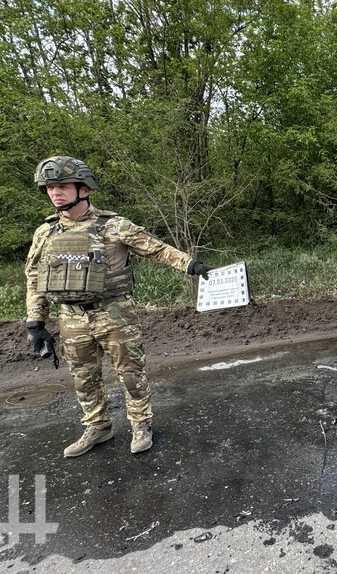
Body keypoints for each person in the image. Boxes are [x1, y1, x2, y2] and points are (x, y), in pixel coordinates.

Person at [24, 156, 211, 458]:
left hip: (114, 313)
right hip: (71, 317)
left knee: (130, 373)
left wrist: (191, 265)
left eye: (61, 186)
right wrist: (36, 321)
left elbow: (157, 249)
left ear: (84, 188)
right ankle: (97, 427)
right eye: (49, 188)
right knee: (83, 378)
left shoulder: (113, 226)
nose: (54, 193)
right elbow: (34, 275)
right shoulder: (45, 233)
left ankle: (141, 424)